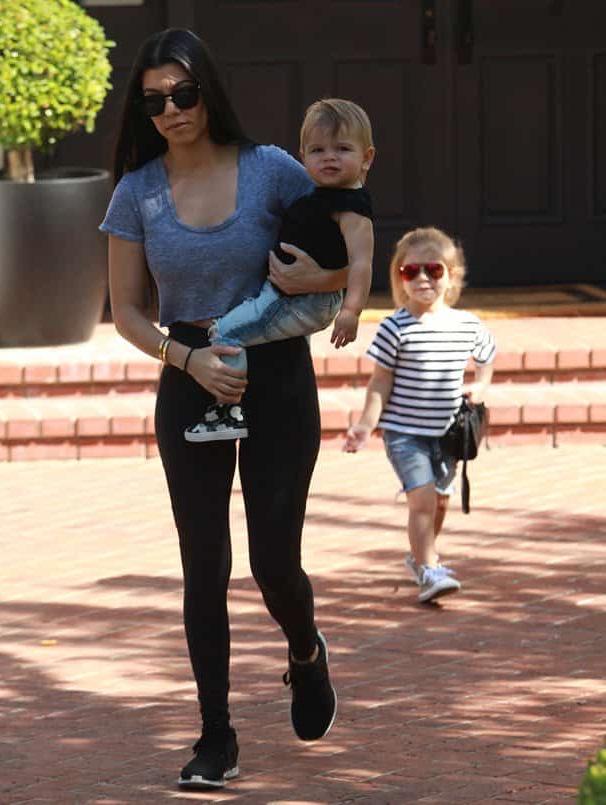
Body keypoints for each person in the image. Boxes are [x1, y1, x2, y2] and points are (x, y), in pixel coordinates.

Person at [99, 28, 339, 790]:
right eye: (155, 99)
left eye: (184, 93)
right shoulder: (136, 191)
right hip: (188, 373)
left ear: (209, 90)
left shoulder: (272, 171)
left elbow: (339, 250)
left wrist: (322, 286)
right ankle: (217, 735)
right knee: (205, 565)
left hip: (277, 375)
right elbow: (129, 312)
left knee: (273, 561)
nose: (171, 109)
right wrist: (190, 359)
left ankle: (304, 649)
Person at [184, 98, 375, 442]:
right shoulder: (318, 193)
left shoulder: (352, 207)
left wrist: (352, 310)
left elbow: (361, 262)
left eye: (343, 148)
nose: (329, 157)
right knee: (235, 327)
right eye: (318, 150)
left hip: (301, 302)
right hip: (284, 296)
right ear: (303, 159)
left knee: (226, 332)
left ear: (367, 158)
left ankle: (228, 409)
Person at [343, 227, 496, 603]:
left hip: (446, 432)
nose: (423, 279)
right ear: (399, 278)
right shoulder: (395, 327)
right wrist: (365, 424)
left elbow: (487, 356)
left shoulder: (467, 325)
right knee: (423, 500)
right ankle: (429, 569)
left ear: (452, 276)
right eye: (411, 272)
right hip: (404, 433)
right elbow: (380, 383)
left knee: (439, 502)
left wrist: (481, 386)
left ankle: (421, 557)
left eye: (434, 270)